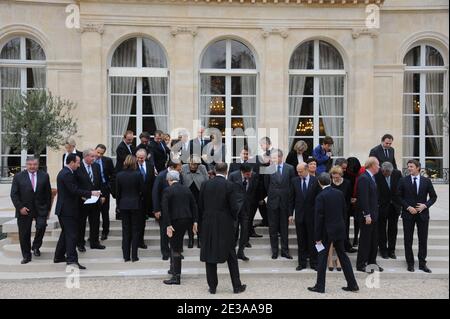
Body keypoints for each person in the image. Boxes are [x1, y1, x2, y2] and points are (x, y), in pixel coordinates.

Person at [307, 173, 359, 294]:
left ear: (319, 183)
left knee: (322, 258)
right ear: (330, 180)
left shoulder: (320, 196)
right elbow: (344, 212)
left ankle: (320, 286)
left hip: (326, 232)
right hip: (339, 229)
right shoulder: (339, 193)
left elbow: (319, 218)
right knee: (343, 257)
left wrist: (317, 237)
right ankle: (353, 284)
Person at [199, 163, 246, 294]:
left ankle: (212, 287)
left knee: (209, 254)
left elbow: (200, 205)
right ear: (226, 172)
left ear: (214, 171)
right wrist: (232, 219)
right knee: (231, 254)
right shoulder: (229, 185)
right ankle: (237, 286)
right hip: (225, 224)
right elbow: (234, 207)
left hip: (208, 223)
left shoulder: (205, 184)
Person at [54, 154, 100, 270]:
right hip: (67, 210)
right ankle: (72, 260)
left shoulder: (66, 172)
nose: (79, 165)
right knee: (72, 235)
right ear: (72, 162)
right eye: (78, 163)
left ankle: (59, 256)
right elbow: (73, 190)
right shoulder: (66, 174)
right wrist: (90, 193)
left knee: (65, 233)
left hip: (65, 209)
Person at [398, 159, 437, 273]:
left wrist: (425, 205)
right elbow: (398, 196)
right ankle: (410, 263)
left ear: (418, 168)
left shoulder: (426, 181)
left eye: (411, 166)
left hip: (423, 215)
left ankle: (422, 264)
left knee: (423, 240)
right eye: (408, 166)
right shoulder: (403, 180)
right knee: (408, 240)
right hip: (408, 214)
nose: (409, 168)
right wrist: (407, 207)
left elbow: (434, 197)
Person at [10, 156, 52, 264]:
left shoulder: (44, 176)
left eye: (35, 164)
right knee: (24, 233)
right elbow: (14, 194)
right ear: (26, 165)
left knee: (42, 226)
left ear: (38, 165)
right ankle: (26, 256)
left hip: (40, 208)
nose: (32, 167)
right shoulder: (18, 177)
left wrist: (47, 209)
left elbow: (48, 193)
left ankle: (36, 246)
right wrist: (20, 207)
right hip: (24, 209)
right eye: (30, 164)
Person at [162, 171, 198, 285]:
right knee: (176, 245)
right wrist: (195, 221)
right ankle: (173, 269)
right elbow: (194, 205)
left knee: (175, 247)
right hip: (187, 220)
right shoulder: (186, 189)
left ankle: (176, 276)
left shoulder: (167, 190)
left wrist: (168, 224)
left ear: (169, 180)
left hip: (174, 221)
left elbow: (165, 209)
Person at [264, 149, 296, 259]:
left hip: (285, 202)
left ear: (281, 157)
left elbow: (292, 185)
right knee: (272, 228)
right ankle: (274, 251)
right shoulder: (268, 169)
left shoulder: (290, 168)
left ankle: (285, 251)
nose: (273, 159)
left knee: (284, 228)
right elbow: (266, 185)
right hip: (272, 202)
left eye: (275, 157)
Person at [290, 163, 320, 270]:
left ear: (307, 169)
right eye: (297, 171)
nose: (298, 173)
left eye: (300, 171)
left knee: (312, 240)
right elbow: (291, 199)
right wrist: (290, 214)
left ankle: (314, 263)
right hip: (299, 216)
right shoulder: (294, 181)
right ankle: (301, 263)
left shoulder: (315, 181)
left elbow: (318, 199)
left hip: (312, 217)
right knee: (301, 241)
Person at [356, 157, 383, 273]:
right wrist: (366, 214)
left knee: (374, 240)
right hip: (367, 216)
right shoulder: (364, 178)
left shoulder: (371, 178)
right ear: (372, 165)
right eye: (378, 165)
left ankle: (372, 262)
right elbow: (363, 198)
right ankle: (361, 263)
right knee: (365, 240)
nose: (379, 167)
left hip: (374, 215)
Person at [75, 149, 105, 251]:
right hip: (82, 201)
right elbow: (75, 185)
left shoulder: (96, 166)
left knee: (95, 222)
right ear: (85, 157)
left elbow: (99, 182)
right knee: (81, 223)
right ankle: (80, 243)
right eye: (92, 156)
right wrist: (82, 195)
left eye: (94, 156)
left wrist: (102, 195)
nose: (94, 158)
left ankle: (94, 242)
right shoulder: (78, 167)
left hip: (95, 200)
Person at [115, 155, 144, 262]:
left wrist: (118, 205)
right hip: (135, 204)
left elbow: (118, 193)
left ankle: (126, 256)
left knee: (126, 230)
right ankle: (134, 256)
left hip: (123, 204)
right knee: (135, 231)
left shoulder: (119, 175)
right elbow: (142, 190)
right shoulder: (138, 174)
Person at [152, 161, 183, 260]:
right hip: (164, 209)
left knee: (177, 232)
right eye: (179, 167)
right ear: (172, 167)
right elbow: (155, 193)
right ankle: (165, 252)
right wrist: (156, 209)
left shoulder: (179, 175)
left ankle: (176, 251)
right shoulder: (161, 176)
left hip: (176, 208)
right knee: (164, 232)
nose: (180, 169)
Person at [228, 163, 258, 261]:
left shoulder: (253, 175)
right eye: (248, 174)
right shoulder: (233, 175)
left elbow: (253, 190)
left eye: (250, 173)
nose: (250, 175)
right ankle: (231, 252)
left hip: (246, 207)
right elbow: (229, 191)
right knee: (234, 230)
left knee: (245, 230)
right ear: (243, 172)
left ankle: (241, 252)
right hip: (235, 208)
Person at [329, 166, 354, 271]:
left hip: (343, 214)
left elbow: (349, 199)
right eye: (333, 175)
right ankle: (330, 260)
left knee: (341, 237)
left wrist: (345, 212)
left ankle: (339, 260)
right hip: (330, 213)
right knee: (330, 237)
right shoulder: (329, 183)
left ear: (341, 174)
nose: (335, 177)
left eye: (337, 175)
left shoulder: (347, 183)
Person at [375, 161, 402, 259]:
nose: (386, 175)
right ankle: (383, 250)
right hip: (382, 206)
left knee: (393, 229)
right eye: (385, 173)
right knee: (381, 229)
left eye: (388, 173)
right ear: (382, 170)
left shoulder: (397, 173)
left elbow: (401, 189)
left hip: (394, 206)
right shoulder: (377, 175)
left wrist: (401, 204)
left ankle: (392, 250)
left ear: (391, 171)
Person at [181, 155, 208, 248]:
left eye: (196, 164)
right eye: (192, 164)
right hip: (187, 199)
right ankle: (191, 239)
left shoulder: (202, 168)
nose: (193, 166)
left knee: (199, 219)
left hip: (200, 198)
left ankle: (200, 239)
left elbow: (206, 182)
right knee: (190, 219)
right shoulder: (184, 168)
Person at [136, 149, 156, 249]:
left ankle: (140, 241)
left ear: (145, 157)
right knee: (135, 222)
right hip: (135, 199)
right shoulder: (133, 166)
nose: (139, 159)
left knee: (142, 222)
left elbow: (152, 183)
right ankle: (134, 240)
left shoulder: (150, 166)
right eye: (138, 157)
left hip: (146, 200)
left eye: (142, 158)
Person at [94, 144, 115, 241]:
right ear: (95, 150)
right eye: (98, 152)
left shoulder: (108, 161)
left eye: (101, 153)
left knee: (105, 212)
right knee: (94, 213)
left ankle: (105, 232)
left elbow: (113, 175)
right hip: (93, 189)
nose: (99, 155)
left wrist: (109, 186)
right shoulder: (90, 160)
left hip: (104, 188)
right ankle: (94, 233)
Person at [345, 157, 362, 247]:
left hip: (357, 199)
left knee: (357, 220)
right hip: (347, 200)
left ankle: (356, 238)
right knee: (347, 220)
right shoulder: (345, 173)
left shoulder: (360, 173)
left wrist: (356, 198)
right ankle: (348, 239)